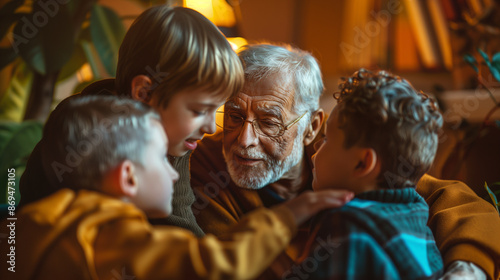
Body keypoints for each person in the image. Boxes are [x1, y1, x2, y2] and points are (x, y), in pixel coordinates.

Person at [190, 43, 500, 279]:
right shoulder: (208, 166)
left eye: (269, 122)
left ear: (312, 128)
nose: (244, 140)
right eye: (233, 115)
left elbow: (462, 206)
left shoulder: (343, 158)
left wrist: (466, 269)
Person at [0, 95, 353, 279]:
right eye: (161, 159)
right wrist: (291, 214)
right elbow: (214, 264)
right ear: (128, 178)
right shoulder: (114, 236)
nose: (174, 174)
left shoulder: (29, 223)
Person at [18, 6, 244, 237]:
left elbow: (179, 223)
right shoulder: (87, 136)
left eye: (215, 110)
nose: (210, 127)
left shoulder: (174, 136)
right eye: (198, 111)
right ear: (144, 93)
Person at [289, 69, 444, 279]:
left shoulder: (345, 225)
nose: (316, 145)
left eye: (326, 139)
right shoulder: (416, 212)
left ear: (362, 163)